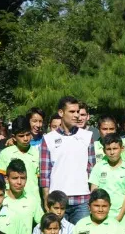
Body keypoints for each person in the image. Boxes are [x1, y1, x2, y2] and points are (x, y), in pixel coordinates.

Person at [40, 96, 96, 224]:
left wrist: (92, 198)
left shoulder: (87, 136)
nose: (76, 115)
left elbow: (92, 170)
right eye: (72, 111)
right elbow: (44, 174)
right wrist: (46, 199)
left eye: (78, 111)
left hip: (82, 201)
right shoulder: (48, 139)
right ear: (61, 113)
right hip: (57, 201)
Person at [89, 133, 125, 222]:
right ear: (104, 150)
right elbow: (94, 192)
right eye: (108, 149)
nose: (112, 152)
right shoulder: (98, 167)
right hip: (102, 215)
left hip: (122, 216)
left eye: (115, 148)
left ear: (122, 149)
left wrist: (119, 217)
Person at [0, 116, 41, 200]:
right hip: (11, 202)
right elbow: (0, 181)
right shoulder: (5, 153)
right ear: (14, 137)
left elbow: (40, 181)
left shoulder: (37, 153)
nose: (25, 139)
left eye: (28, 135)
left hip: (33, 201)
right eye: (21, 136)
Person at [3, 159, 43, 227]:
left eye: (22, 178)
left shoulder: (32, 200)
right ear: (6, 179)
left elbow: (44, 224)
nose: (19, 182)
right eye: (15, 178)